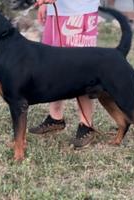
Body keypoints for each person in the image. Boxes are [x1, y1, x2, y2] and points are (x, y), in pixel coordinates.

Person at [29, 0, 100, 148]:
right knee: (53, 65)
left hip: (79, 11)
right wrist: (43, 4)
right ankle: (56, 118)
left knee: (81, 70)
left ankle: (86, 125)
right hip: (56, 11)